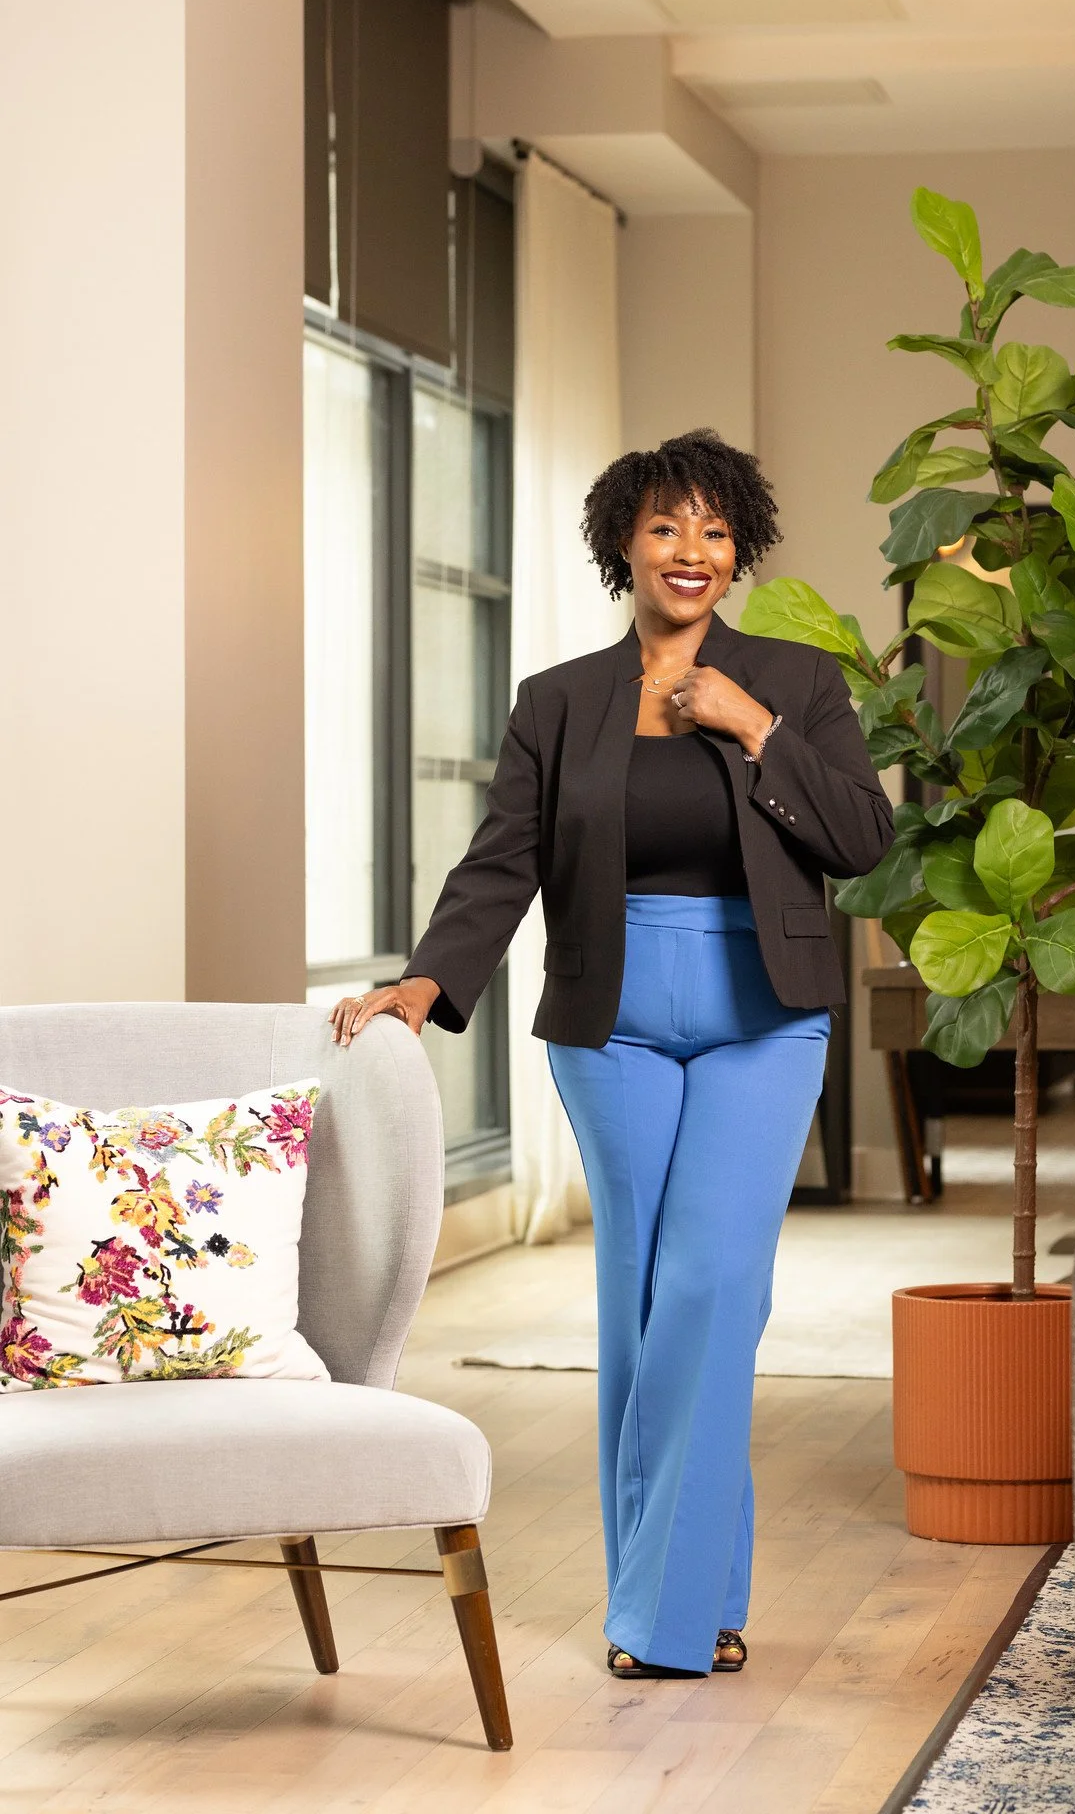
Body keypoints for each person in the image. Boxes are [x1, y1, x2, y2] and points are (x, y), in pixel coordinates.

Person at [331, 428, 894, 1679]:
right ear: (623, 545)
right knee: (642, 1300)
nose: (691, 551)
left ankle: (660, 1612)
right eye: (665, 528)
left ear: (738, 550)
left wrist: (753, 726)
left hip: (764, 1014)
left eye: (714, 531)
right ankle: (692, 1598)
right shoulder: (559, 699)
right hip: (613, 1018)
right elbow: (504, 857)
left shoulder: (796, 681)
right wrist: (429, 977)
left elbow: (863, 838)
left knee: (713, 1283)